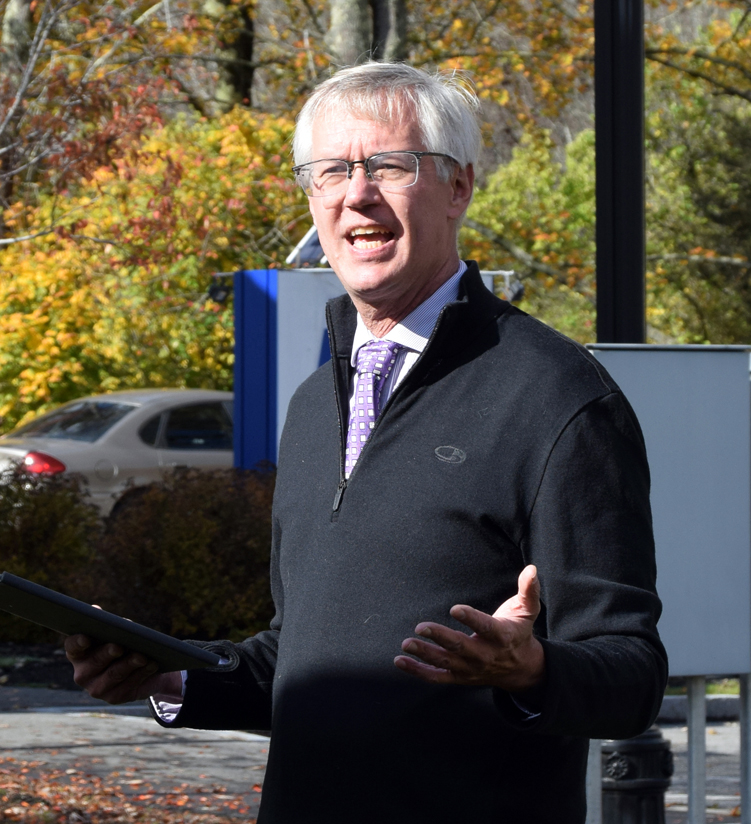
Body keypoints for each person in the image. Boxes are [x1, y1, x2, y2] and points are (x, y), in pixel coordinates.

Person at [67, 62, 668, 823]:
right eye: (330, 171)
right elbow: (300, 657)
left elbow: (631, 674)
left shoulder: (558, 397)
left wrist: (533, 669)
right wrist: (166, 672)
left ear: (459, 188)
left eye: (390, 164)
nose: (357, 193)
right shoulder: (317, 401)